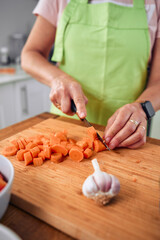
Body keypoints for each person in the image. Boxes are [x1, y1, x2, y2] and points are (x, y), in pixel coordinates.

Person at [21, 0, 160, 150]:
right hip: (64, 132)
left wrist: (142, 108)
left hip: (127, 136)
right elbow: (30, 54)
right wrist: (58, 78)